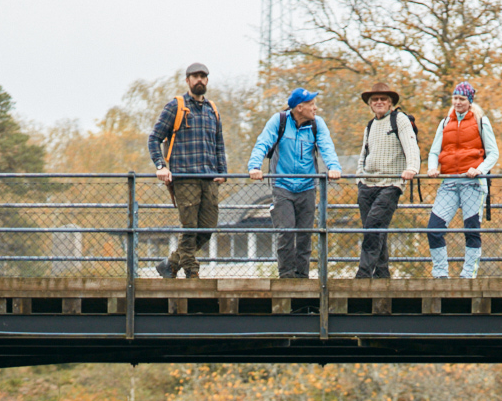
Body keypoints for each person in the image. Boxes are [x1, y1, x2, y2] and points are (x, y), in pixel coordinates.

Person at [247, 87, 340, 282]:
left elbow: (326, 146)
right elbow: (263, 142)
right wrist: (255, 166)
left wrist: (333, 167)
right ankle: (286, 276)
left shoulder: (317, 124)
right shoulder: (279, 121)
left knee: (305, 235)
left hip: (307, 187)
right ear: (299, 108)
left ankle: (302, 277)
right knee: (286, 232)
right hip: (282, 186)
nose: (315, 108)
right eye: (311, 104)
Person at [147, 61, 228, 280]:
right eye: (195, 76)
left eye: (203, 76)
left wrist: (223, 171)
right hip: (185, 178)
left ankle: (172, 264)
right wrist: (161, 166)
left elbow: (219, 144)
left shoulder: (212, 110)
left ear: (207, 80)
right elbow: (154, 139)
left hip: (209, 178)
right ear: (188, 80)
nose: (199, 80)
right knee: (190, 227)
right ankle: (192, 271)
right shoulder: (176, 106)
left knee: (207, 228)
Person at [425, 79, 499, 282]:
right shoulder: (445, 122)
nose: (457, 102)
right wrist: (432, 167)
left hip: (472, 184)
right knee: (433, 229)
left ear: (470, 101)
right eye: (455, 98)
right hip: (449, 182)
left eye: (462, 99)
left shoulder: (481, 121)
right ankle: (440, 274)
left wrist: (479, 169)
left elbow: (493, 153)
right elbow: (434, 152)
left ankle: (468, 276)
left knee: (471, 230)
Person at [352, 82, 421, 280]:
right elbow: (363, 153)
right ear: (370, 104)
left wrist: (412, 168)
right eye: (375, 99)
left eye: (383, 99)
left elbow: (411, 146)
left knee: (374, 225)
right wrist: (359, 176)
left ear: (390, 102)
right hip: (367, 184)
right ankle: (382, 273)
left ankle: (363, 274)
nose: (379, 102)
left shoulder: (399, 119)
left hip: (390, 184)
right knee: (374, 229)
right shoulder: (370, 125)